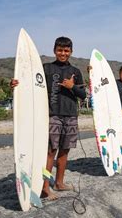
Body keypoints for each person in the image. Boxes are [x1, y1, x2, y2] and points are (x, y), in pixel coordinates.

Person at [11, 36, 86, 200]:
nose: (63, 53)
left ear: (71, 52)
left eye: (66, 50)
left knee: (65, 150)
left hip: (71, 115)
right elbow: (32, 85)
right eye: (60, 50)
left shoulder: (76, 72)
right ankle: (45, 187)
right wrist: (18, 84)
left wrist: (72, 86)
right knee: (50, 151)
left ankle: (59, 183)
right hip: (52, 114)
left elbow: (83, 95)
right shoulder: (45, 68)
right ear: (54, 50)